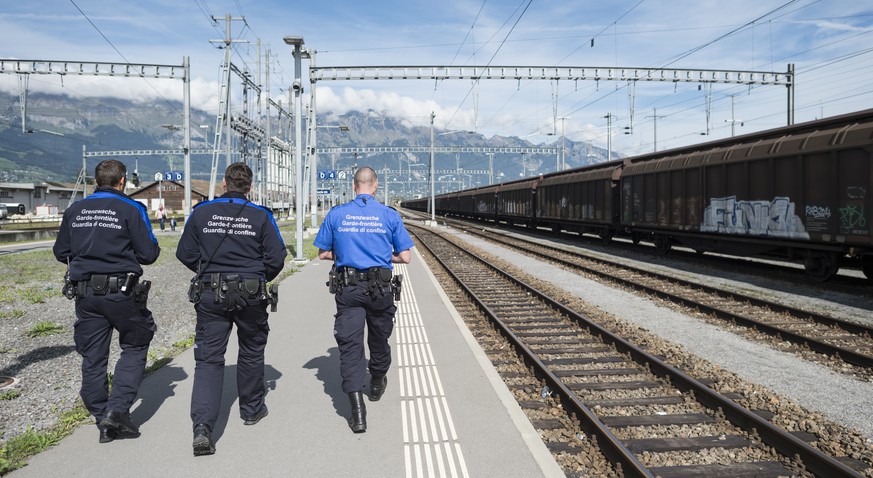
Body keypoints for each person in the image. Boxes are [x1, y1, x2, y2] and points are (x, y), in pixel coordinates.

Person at [176, 162, 287, 456]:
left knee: (209, 360)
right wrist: (258, 276)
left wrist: (208, 273)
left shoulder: (201, 213)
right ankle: (251, 410)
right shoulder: (261, 215)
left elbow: (184, 253)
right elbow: (277, 257)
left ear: (225, 184)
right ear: (249, 187)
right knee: (251, 350)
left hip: (211, 294)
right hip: (251, 294)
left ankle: (202, 428)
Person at [52, 159, 160, 444]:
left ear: (95, 180)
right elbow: (149, 253)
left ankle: (101, 416)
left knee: (93, 356)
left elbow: (60, 250)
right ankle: (117, 410)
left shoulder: (75, 209)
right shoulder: (132, 208)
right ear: (122, 181)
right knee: (136, 343)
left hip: (86, 294)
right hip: (121, 292)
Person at [314, 166, 414, 433]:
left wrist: (346, 255)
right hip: (381, 290)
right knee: (379, 339)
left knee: (350, 346)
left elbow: (323, 254)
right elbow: (405, 257)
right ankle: (378, 379)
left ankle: (357, 413)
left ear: (354, 185)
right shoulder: (389, 215)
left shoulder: (337, 214)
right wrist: (384, 258)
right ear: (375, 185)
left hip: (349, 290)